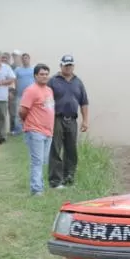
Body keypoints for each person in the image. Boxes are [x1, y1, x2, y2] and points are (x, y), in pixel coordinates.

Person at [48, 54, 89, 188]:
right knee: (56, 148)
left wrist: (85, 120)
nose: (68, 67)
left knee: (71, 149)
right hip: (57, 118)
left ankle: (69, 177)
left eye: (70, 65)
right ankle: (55, 180)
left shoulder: (78, 82)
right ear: (61, 66)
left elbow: (84, 102)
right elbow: (45, 100)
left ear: (73, 66)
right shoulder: (53, 81)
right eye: (66, 65)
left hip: (72, 119)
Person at [19, 64, 55, 196]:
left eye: (46, 74)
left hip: (48, 131)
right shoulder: (31, 90)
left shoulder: (49, 90)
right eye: (42, 74)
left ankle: (39, 184)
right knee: (37, 161)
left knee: (43, 160)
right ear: (35, 76)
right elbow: (23, 110)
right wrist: (27, 123)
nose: (44, 76)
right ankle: (36, 189)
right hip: (35, 130)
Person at [12, 52, 34, 134]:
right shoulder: (17, 70)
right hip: (20, 95)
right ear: (21, 60)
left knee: (32, 113)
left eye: (26, 58)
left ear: (29, 59)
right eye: (23, 58)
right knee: (18, 113)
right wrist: (13, 90)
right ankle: (18, 130)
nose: (25, 60)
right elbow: (13, 80)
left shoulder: (34, 69)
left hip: (32, 96)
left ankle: (31, 129)